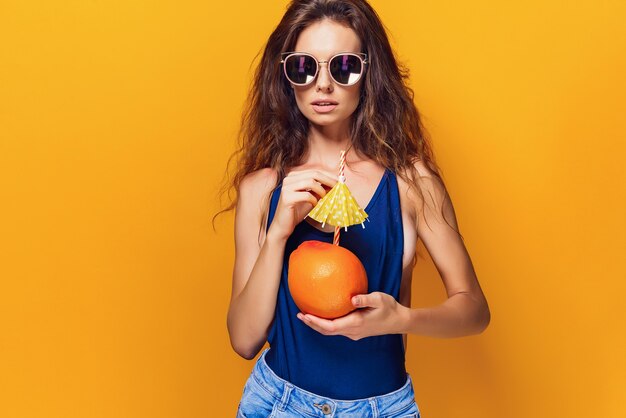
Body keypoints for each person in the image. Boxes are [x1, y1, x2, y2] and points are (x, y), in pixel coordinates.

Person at [217, 0, 490, 416]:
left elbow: (474, 309)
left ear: (368, 74)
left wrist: (398, 319)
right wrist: (277, 234)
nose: (322, 85)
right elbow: (243, 339)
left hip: (383, 407)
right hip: (279, 404)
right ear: (287, 77)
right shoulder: (262, 188)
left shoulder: (411, 184)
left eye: (343, 67)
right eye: (304, 67)